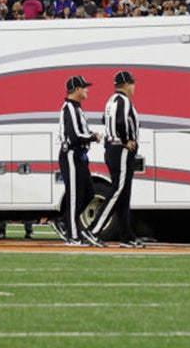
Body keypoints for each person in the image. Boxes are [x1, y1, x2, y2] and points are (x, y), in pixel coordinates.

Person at [88, 70, 143, 248]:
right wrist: (127, 140)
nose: (134, 87)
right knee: (118, 191)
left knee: (124, 194)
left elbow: (106, 119)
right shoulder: (124, 101)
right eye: (132, 83)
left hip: (112, 147)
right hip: (120, 149)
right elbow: (120, 122)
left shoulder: (110, 101)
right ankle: (93, 229)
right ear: (126, 84)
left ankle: (126, 236)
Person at [56, 75, 103, 247]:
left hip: (80, 155)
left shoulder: (76, 108)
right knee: (75, 195)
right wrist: (93, 136)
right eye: (84, 87)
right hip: (71, 155)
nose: (86, 90)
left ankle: (64, 221)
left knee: (89, 192)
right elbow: (74, 136)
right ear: (76, 90)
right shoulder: (69, 108)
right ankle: (73, 236)